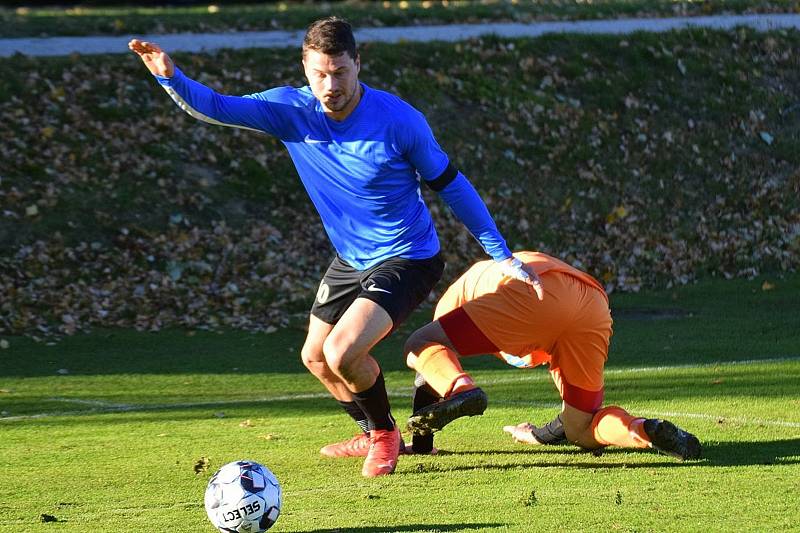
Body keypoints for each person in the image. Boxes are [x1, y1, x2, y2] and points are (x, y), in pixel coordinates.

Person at [129, 17, 543, 477]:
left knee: (343, 353)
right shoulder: (290, 110)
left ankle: (386, 437)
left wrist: (500, 253)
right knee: (314, 357)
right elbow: (214, 107)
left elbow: (452, 185)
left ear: (358, 65)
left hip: (409, 257)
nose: (330, 85)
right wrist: (170, 76)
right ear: (304, 68)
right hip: (351, 259)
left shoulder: (400, 121)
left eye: (340, 72)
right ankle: (371, 432)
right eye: (319, 74)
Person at [403, 251, 701, 460]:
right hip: (592, 302)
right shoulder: (487, 280)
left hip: (531, 292)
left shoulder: (454, 302)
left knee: (419, 343)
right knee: (581, 428)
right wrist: (537, 434)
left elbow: (427, 373)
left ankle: (464, 387)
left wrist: (421, 444)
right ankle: (644, 430)